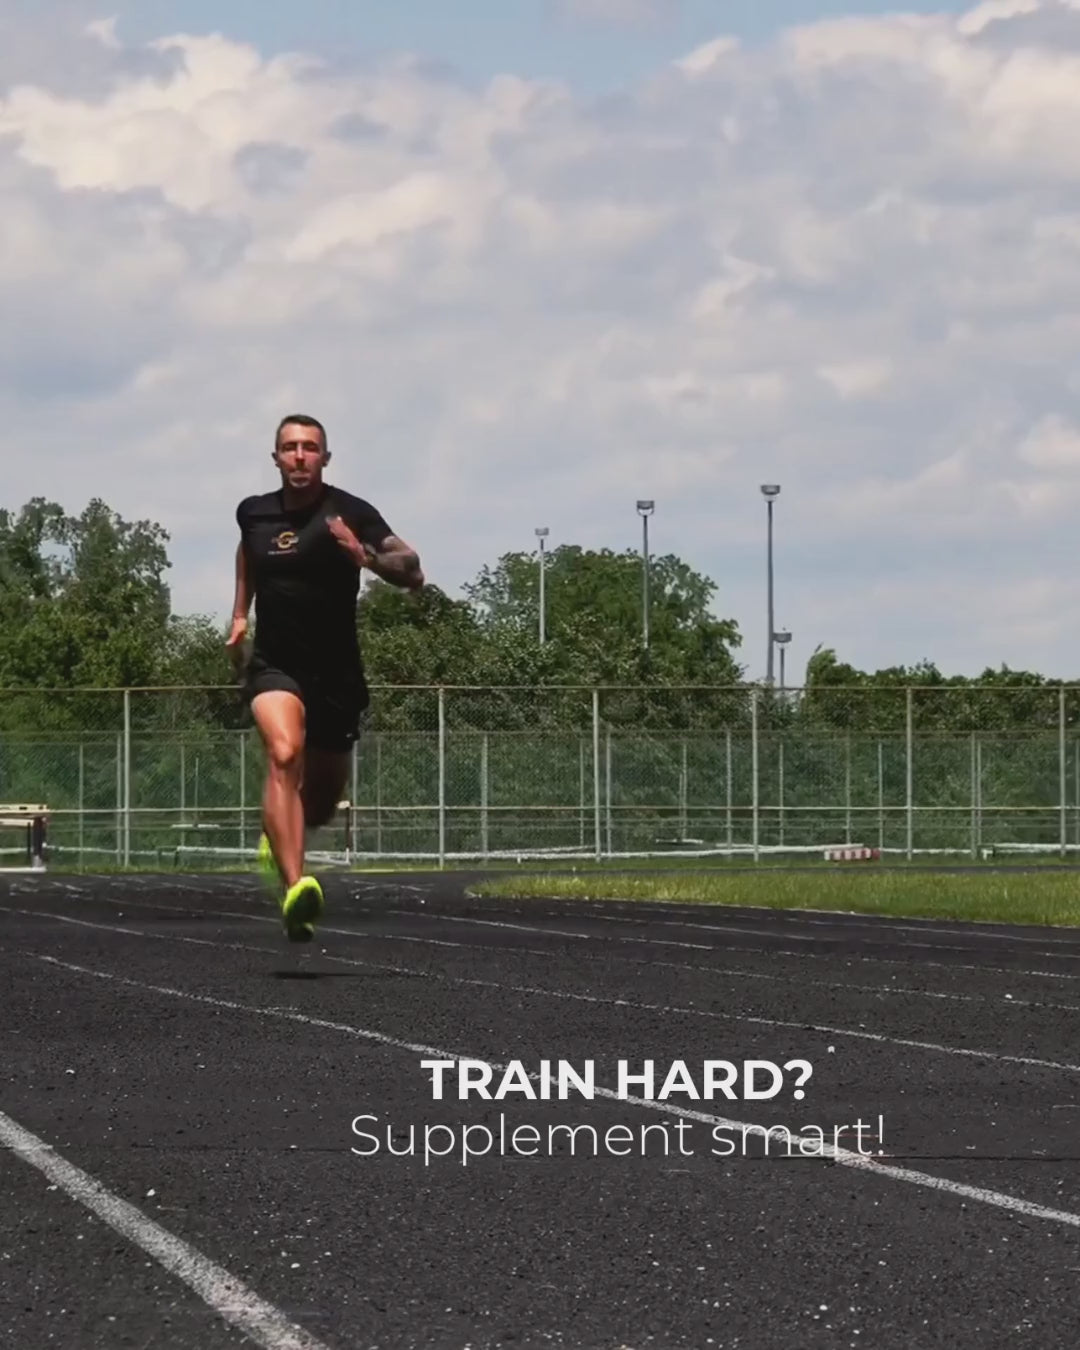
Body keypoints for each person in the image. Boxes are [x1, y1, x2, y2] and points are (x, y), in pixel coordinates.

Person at [227, 413, 423, 941]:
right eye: (289, 447)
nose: (299, 456)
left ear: (325, 458)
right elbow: (250, 553)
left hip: (337, 674)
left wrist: (366, 558)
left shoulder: (351, 512)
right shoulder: (254, 512)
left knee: (317, 803)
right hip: (276, 666)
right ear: (275, 458)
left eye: (309, 447)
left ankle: (278, 839)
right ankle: (296, 886)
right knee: (284, 753)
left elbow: (412, 569)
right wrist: (240, 615)